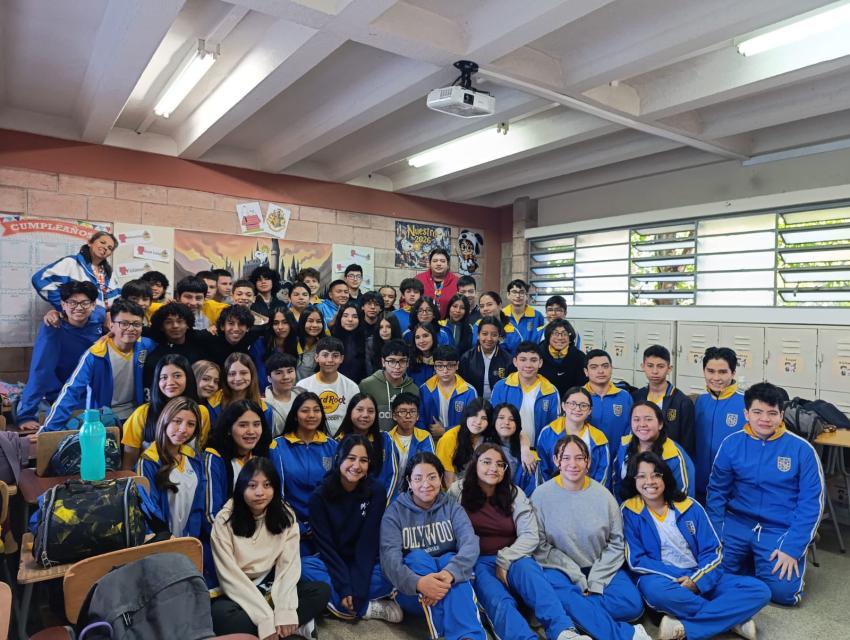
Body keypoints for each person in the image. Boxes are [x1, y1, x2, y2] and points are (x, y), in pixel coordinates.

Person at [622, 451, 771, 640]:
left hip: (699, 573)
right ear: (633, 481)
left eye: (655, 475)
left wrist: (697, 580)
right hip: (664, 580)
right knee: (657, 592)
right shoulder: (629, 511)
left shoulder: (689, 506)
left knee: (759, 590)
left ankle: (684, 626)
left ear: (665, 477)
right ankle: (734, 621)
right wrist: (680, 579)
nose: (649, 481)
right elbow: (636, 560)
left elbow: (713, 551)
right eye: (642, 476)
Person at [454, 444, 589, 640]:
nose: (494, 468)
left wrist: (504, 560)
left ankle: (563, 631)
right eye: (486, 462)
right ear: (475, 464)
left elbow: (530, 534)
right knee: (498, 599)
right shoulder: (458, 491)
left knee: (535, 581)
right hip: (477, 560)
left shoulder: (514, 493)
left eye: (500, 464)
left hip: (514, 555)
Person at [707, 382, 825, 606]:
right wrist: (715, 531)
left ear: (781, 415)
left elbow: (812, 504)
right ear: (746, 414)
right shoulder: (731, 444)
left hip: (779, 528)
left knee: (783, 593)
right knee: (709, 576)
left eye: (772, 413)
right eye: (757, 412)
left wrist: (792, 548)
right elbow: (716, 493)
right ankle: (752, 562)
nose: (765, 419)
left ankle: (759, 562)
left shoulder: (802, 450)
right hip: (737, 522)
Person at [532, 436, 650, 640]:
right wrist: (575, 575)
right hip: (560, 569)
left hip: (600, 566)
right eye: (566, 458)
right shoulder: (540, 496)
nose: (573, 464)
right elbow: (540, 547)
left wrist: (595, 580)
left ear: (588, 462)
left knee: (632, 605)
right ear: (556, 460)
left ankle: (570, 615)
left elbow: (616, 543)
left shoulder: (604, 496)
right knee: (559, 591)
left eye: (579, 458)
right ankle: (627, 635)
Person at [210, 457, 330, 639]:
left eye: (267, 485)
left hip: (271, 584)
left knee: (321, 591)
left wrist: (285, 610)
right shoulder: (224, 520)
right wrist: (264, 618)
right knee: (219, 615)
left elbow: (288, 566)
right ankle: (291, 628)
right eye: (252, 486)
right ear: (241, 488)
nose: (260, 492)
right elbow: (229, 576)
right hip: (240, 589)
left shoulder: (286, 515)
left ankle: (279, 628)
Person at [379, 452, 486, 640]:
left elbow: (470, 543)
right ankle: (452, 628)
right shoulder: (395, 513)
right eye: (418, 478)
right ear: (409, 482)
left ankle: (468, 637)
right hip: (412, 591)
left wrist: (449, 574)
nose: (425, 484)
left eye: (432, 477)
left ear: (440, 479)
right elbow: (389, 561)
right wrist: (419, 583)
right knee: (416, 557)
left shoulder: (452, 507)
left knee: (450, 561)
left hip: (448, 582)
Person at [302, 435, 402, 622]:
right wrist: (345, 586)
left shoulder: (376, 491)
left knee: (398, 569)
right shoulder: (319, 496)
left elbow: (367, 544)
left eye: (363, 460)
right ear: (339, 458)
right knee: (303, 568)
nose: (356, 466)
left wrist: (358, 588)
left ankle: (341, 604)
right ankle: (365, 608)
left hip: (367, 562)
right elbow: (326, 548)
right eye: (351, 458)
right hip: (333, 561)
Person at [40, 300, 153, 432]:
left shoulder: (147, 346)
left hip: (138, 418)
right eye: (124, 323)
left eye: (136, 324)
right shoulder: (96, 354)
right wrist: (47, 430)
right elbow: (71, 391)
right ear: (111, 325)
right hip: (103, 421)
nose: (131, 328)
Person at [17, 280, 105, 431]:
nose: (79, 307)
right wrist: (26, 415)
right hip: (58, 391)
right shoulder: (52, 327)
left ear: (93, 305)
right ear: (63, 305)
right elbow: (40, 371)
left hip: (86, 390)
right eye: (72, 302)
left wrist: (109, 317)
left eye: (85, 303)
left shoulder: (99, 320)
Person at [269, 392, 338, 553]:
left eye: (316, 410)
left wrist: (322, 524)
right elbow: (276, 493)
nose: (311, 415)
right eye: (305, 410)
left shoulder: (333, 446)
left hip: (325, 528)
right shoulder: (277, 446)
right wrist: (297, 526)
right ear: (295, 415)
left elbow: (337, 491)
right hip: (289, 528)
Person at [121, 354, 211, 469]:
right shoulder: (142, 413)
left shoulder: (201, 412)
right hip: (150, 476)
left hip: (189, 476)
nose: (170, 382)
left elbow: (199, 452)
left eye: (177, 376)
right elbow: (129, 462)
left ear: (188, 378)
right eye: (164, 377)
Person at [136, 396, 206, 538]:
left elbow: (198, 506)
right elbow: (149, 508)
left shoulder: (194, 458)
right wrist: (167, 538)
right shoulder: (148, 461)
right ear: (165, 420)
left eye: (191, 424)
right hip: (163, 540)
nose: (183, 429)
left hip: (189, 539)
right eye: (177, 421)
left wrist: (191, 537)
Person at [204, 399, 276, 524]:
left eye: (256, 424)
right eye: (243, 425)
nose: (251, 431)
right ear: (228, 429)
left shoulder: (265, 455)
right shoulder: (214, 458)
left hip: (261, 530)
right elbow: (211, 515)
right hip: (226, 531)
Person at [612, 402, 695, 500]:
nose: (642, 424)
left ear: (660, 424)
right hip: (627, 507)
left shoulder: (674, 455)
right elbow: (617, 482)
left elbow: (684, 497)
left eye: (648, 419)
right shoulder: (625, 445)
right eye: (636, 419)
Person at [694, 347, 746, 498]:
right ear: (704, 371)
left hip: (733, 489)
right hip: (700, 485)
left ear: (733, 373)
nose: (716, 378)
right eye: (710, 371)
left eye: (722, 372)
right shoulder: (700, 401)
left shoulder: (746, 403)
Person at [490, 341, 559, 446]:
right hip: (505, 449)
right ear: (515, 362)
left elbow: (554, 428)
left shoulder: (551, 391)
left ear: (540, 363)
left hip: (537, 450)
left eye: (533, 360)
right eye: (523, 360)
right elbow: (493, 420)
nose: (528, 365)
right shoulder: (500, 387)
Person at [537, 386, 609, 485]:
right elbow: (542, 469)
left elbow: (602, 474)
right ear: (563, 406)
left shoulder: (599, 438)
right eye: (572, 404)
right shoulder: (548, 433)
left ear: (590, 410)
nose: (578, 409)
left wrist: (591, 492)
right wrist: (551, 491)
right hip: (553, 490)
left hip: (588, 491)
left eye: (583, 405)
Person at [32, 230, 120, 310]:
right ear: (90, 243)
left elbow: (115, 298)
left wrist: (109, 313)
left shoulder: (108, 273)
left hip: (100, 321)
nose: (105, 248)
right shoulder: (71, 262)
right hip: (76, 320)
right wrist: (63, 307)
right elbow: (40, 280)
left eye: (110, 248)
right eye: (102, 242)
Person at [633, 345, 695, 457]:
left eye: (660, 366)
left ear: (669, 369)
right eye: (650, 366)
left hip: (670, 459)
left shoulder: (682, 402)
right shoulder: (636, 396)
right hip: (641, 458)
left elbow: (687, 443)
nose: (655, 371)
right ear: (643, 366)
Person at [294, 336, 360, 436]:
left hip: (343, 439)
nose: (330, 360)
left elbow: (354, 419)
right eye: (325, 355)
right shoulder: (302, 386)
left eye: (335, 356)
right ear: (316, 357)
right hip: (311, 439)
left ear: (341, 359)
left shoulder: (352, 387)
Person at [359, 338, 420, 431]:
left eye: (402, 361)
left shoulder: (414, 389)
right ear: (383, 362)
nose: (397, 367)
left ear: (408, 363)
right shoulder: (366, 385)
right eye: (392, 361)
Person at [417, 345, 477, 439]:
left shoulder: (469, 391)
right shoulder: (424, 389)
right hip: (432, 440)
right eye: (440, 365)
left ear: (457, 365)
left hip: (460, 441)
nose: (445, 371)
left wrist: (445, 430)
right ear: (434, 366)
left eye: (450, 365)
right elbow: (419, 421)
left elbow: (473, 423)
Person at [384, 392, 435, 502]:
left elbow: (429, 467)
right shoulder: (387, 439)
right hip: (389, 494)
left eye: (412, 412)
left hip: (416, 495)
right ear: (394, 415)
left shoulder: (424, 437)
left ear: (418, 416)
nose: (408, 416)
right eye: (402, 411)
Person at [142, 302, 205, 389]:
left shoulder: (200, 349)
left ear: (188, 325)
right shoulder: (155, 357)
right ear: (161, 327)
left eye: (180, 321)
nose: (175, 326)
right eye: (168, 322)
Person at [584, 349, 633, 460]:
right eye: (594, 367)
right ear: (586, 372)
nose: (600, 371)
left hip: (618, 459)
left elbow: (631, 430)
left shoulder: (625, 397)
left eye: (605, 366)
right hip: (587, 460)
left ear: (611, 369)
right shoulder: (578, 397)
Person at [205, 352, 274, 427]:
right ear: (226, 377)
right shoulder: (212, 401)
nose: (238, 378)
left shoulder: (265, 410)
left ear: (252, 375)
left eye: (243, 373)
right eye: (232, 374)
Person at [489, 403, 541, 496]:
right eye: (501, 418)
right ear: (494, 421)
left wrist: (525, 449)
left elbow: (532, 489)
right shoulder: (484, 447)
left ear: (517, 424)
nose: (506, 422)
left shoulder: (529, 455)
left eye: (512, 419)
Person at [435, 398, 490, 486]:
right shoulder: (449, 438)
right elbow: (448, 482)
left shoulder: (488, 439)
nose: (478, 422)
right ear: (467, 416)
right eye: (474, 415)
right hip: (454, 488)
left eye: (484, 418)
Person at [459, 316, 513, 401]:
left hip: (499, 403)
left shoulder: (508, 359)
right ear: (478, 335)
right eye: (484, 334)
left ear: (499, 337)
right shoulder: (466, 358)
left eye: (494, 335)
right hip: (473, 403)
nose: (489, 338)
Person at [251, 307, 299, 388]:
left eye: (285, 322)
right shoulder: (259, 344)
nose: (280, 327)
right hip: (263, 392)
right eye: (276, 323)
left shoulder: (297, 343)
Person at [157, 276, 227, 330]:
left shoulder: (211, 307)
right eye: (188, 297)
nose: (193, 303)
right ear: (178, 297)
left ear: (204, 299)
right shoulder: (167, 310)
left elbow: (232, 311)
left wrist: (218, 327)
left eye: (198, 298)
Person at [540, 318, 587, 396]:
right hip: (544, 398)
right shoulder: (538, 355)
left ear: (570, 338)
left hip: (572, 400)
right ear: (548, 336)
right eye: (555, 333)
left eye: (564, 334)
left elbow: (583, 384)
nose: (560, 338)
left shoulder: (580, 357)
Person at [264, 352, 302, 437]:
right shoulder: (263, 404)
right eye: (279, 373)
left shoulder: (304, 397)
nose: (286, 377)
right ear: (269, 378)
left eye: (290, 371)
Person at [471, 292, 520, 356]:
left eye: (489, 304)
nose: (485, 309)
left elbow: (517, 356)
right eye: (482, 306)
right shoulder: (476, 326)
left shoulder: (512, 330)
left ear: (500, 305)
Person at [415, 248, 458, 318]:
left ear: (448, 265)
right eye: (435, 261)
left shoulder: (456, 282)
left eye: (442, 261)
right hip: (423, 322)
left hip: (449, 323)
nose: (438, 264)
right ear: (429, 264)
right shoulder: (419, 279)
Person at [330, 302, 367, 383]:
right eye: (345, 316)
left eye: (355, 316)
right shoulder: (330, 337)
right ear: (340, 318)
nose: (350, 319)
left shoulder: (365, 339)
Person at [365, 312, 401, 376]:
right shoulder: (370, 344)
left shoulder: (401, 345)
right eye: (381, 327)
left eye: (388, 327)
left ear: (394, 328)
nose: (384, 330)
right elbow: (368, 369)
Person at [295, 306, 326, 380]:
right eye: (310, 321)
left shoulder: (325, 344)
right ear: (302, 322)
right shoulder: (293, 341)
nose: (315, 325)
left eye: (318, 321)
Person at [409, 322, 440, 387]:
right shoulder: (409, 360)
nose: (421, 341)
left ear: (433, 337)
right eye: (417, 337)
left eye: (425, 336)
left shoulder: (442, 359)